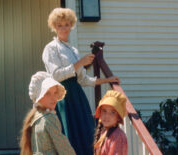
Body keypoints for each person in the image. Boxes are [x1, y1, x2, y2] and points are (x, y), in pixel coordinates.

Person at [42, 8, 120, 155]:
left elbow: (84, 80)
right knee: (67, 136)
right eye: (60, 25)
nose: (64, 28)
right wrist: (80, 63)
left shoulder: (73, 50)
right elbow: (56, 75)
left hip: (77, 96)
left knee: (85, 134)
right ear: (54, 27)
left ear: (71, 26)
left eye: (66, 24)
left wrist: (107, 80)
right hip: (62, 96)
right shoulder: (51, 48)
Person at [20, 71, 76, 155]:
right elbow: (64, 148)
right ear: (38, 96)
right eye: (47, 93)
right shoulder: (49, 118)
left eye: (55, 93)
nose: (54, 98)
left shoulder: (34, 117)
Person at [94, 90, 128, 155]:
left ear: (118, 117)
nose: (107, 116)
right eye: (104, 111)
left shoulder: (118, 136)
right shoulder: (103, 132)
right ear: (100, 113)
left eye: (112, 112)